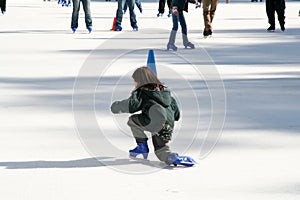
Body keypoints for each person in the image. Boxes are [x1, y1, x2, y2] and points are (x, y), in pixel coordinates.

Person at [110, 66, 196, 167]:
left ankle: (142, 147)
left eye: (135, 81)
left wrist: (116, 106)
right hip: (167, 126)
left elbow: (132, 106)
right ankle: (172, 157)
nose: (134, 83)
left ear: (140, 80)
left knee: (132, 121)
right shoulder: (166, 93)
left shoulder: (143, 91)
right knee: (161, 151)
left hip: (153, 122)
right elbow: (176, 115)